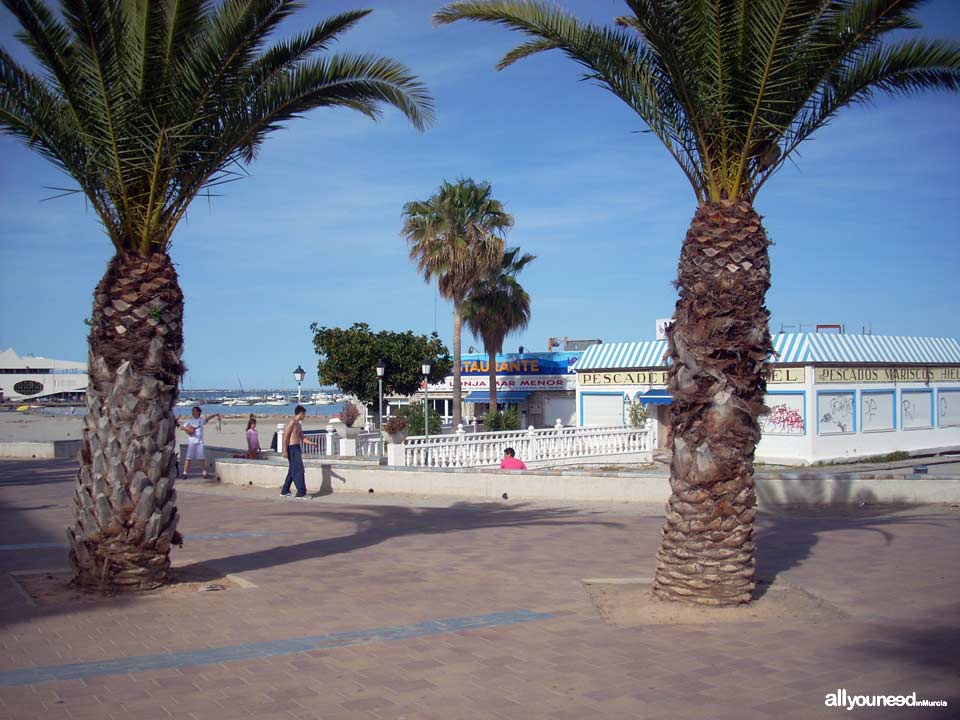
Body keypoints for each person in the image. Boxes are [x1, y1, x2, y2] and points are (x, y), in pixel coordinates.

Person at [281, 405, 318, 499]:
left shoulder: (299, 424)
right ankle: (301, 493)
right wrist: (285, 450)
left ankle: (285, 491)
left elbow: (303, 438)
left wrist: (312, 443)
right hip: (292, 448)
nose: (305, 416)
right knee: (299, 470)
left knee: (292, 470)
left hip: (297, 447)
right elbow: (286, 436)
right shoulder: (292, 422)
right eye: (304, 414)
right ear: (301, 413)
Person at [176, 406, 222, 479]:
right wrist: (188, 429)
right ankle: (185, 473)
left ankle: (204, 472)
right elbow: (182, 427)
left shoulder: (201, 420)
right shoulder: (190, 421)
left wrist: (215, 414)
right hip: (191, 441)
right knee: (188, 457)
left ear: (198, 412)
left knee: (201, 457)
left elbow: (208, 418)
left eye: (194, 411)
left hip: (200, 442)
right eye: (192, 411)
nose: (192, 412)